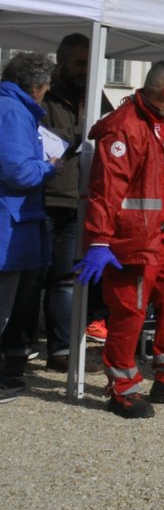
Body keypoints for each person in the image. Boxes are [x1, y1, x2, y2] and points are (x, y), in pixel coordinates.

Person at [76, 61, 164, 417]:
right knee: (129, 316)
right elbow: (106, 190)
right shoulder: (125, 128)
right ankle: (122, 388)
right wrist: (100, 241)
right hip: (136, 243)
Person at [35, 33, 109, 370]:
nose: (86, 70)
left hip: (79, 201)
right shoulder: (40, 95)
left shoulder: (95, 96)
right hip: (39, 199)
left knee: (66, 279)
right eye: (80, 63)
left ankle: (61, 351)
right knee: (30, 280)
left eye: (91, 64)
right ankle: (16, 350)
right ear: (61, 59)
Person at [0, 53, 58, 400]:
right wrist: (48, 165)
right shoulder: (13, 112)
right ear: (36, 86)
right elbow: (18, 171)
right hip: (8, 222)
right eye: (46, 85)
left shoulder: (11, 108)